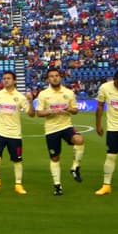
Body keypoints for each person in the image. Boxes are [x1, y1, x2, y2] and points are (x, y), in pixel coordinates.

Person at [34, 67, 85, 196]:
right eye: (51, 76)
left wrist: (68, 109)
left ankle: (75, 167)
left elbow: (75, 110)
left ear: (60, 77)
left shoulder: (68, 92)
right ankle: (57, 185)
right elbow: (39, 113)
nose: (54, 78)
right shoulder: (44, 94)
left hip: (66, 126)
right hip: (51, 129)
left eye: (56, 75)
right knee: (55, 157)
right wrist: (51, 111)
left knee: (79, 140)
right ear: (48, 79)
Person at [0, 72, 28, 194]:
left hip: (15, 134)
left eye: (8, 78)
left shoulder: (20, 97)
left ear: (14, 81)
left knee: (17, 160)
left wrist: (30, 101)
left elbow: (30, 113)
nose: (6, 80)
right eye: (4, 78)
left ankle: (18, 184)